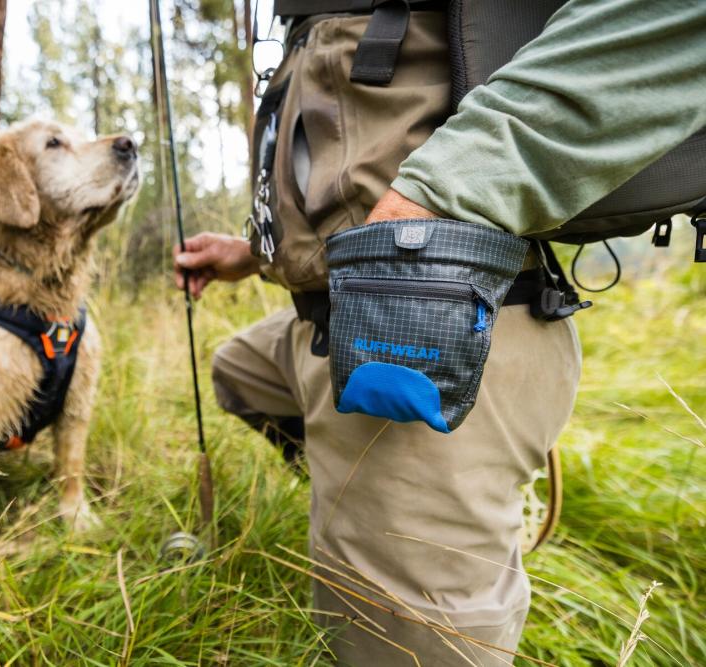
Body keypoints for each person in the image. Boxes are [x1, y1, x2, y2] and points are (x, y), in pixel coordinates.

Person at [173, 0, 706, 664]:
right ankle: (344, 497)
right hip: (323, 319)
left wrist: (453, 190)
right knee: (237, 370)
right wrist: (254, 250)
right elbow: (348, 143)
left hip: (427, 325)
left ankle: (401, 503)